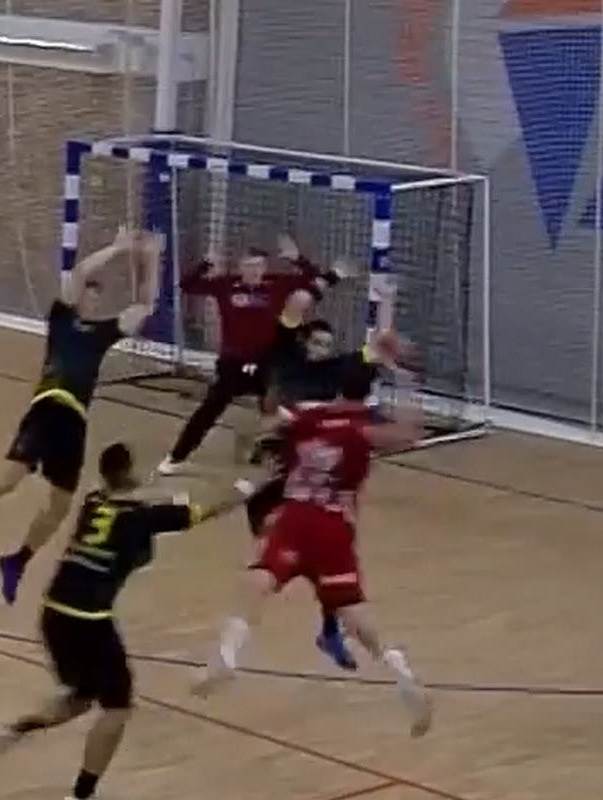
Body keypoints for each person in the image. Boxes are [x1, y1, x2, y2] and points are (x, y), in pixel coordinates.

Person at [189, 361, 433, 738]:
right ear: (368, 393)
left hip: (296, 517)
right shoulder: (364, 428)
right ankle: (403, 675)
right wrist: (405, 378)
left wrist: (271, 388)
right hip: (334, 527)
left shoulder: (311, 416)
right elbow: (410, 435)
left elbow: (266, 423)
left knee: (257, 583)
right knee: (354, 613)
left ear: (337, 388)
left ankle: (226, 657)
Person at [0, 441, 245, 800]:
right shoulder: (143, 517)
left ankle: (17, 728)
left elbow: (130, 506)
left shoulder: (93, 501)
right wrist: (245, 488)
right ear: (128, 472)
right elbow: (208, 509)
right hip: (89, 619)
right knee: (117, 709)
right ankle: (81, 795)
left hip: (55, 611)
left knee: (82, 697)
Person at [0, 228, 161, 605]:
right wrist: (118, 248)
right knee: (9, 478)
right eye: (88, 294)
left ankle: (17, 561)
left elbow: (145, 306)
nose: (91, 300)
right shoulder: (61, 318)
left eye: (97, 297)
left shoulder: (102, 333)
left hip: (75, 421)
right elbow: (81, 271)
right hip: (48, 407)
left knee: (61, 506)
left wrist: (151, 258)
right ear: (78, 296)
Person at [244, 321, 404, 671]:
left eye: (327, 344)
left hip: (324, 488)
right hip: (292, 482)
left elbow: (367, 357)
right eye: (316, 343)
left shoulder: (337, 372)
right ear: (304, 343)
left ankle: (330, 629)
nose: (322, 350)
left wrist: (386, 348)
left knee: (330, 561)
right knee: (282, 537)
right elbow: (271, 421)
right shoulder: (290, 373)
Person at [156, 234, 350, 474]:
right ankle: (176, 457)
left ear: (265, 267)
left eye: (259, 266)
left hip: (267, 360)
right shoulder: (226, 285)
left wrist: (297, 258)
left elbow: (312, 281)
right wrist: (205, 264)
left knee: (281, 407)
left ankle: (288, 458)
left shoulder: (276, 284)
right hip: (232, 362)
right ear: (240, 266)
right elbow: (187, 286)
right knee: (210, 408)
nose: (254, 271)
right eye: (249, 265)